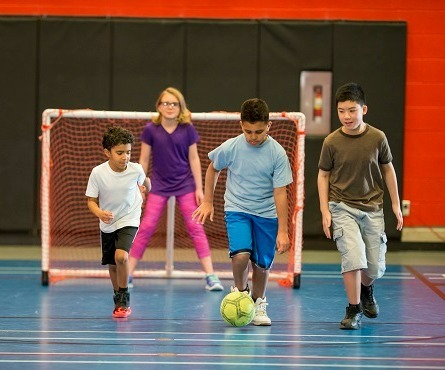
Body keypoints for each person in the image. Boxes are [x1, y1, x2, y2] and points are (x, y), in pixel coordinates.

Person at [192, 98, 293, 326]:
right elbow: (213, 168)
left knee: (261, 265)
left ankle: (259, 303)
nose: (253, 137)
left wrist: (283, 231)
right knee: (240, 256)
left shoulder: (277, 153)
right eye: (248, 132)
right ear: (241, 126)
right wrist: (208, 201)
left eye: (258, 131)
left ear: (269, 126)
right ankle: (241, 294)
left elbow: (280, 193)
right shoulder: (232, 146)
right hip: (237, 209)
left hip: (266, 214)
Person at [317, 82, 403, 330]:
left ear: (364, 109)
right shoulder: (331, 142)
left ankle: (366, 289)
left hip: (373, 209)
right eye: (342, 111)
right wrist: (325, 209)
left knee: (374, 266)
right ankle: (353, 308)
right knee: (353, 257)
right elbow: (323, 175)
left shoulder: (378, 138)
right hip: (341, 207)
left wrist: (396, 204)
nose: (347, 116)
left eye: (352, 110)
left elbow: (388, 169)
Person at [128, 87, 223, 291]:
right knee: (146, 227)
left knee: (196, 227)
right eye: (165, 103)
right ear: (159, 107)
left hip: (185, 185)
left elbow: (194, 158)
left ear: (180, 107)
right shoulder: (150, 130)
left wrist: (199, 188)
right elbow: (143, 159)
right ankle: (127, 273)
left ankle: (211, 276)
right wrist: (140, 184)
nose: (169, 107)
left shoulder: (187, 129)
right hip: (159, 185)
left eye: (174, 103)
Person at [86, 126, 148, 318]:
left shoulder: (136, 169)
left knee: (121, 257)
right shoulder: (98, 173)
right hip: (108, 222)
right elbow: (91, 201)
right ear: (107, 152)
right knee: (113, 264)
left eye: (128, 152)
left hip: (129, 217)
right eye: (119, 153)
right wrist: (99, 213)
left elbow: (145, 182)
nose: (125, 157)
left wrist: (146, 188)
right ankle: (118, 296)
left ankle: (124, 296)